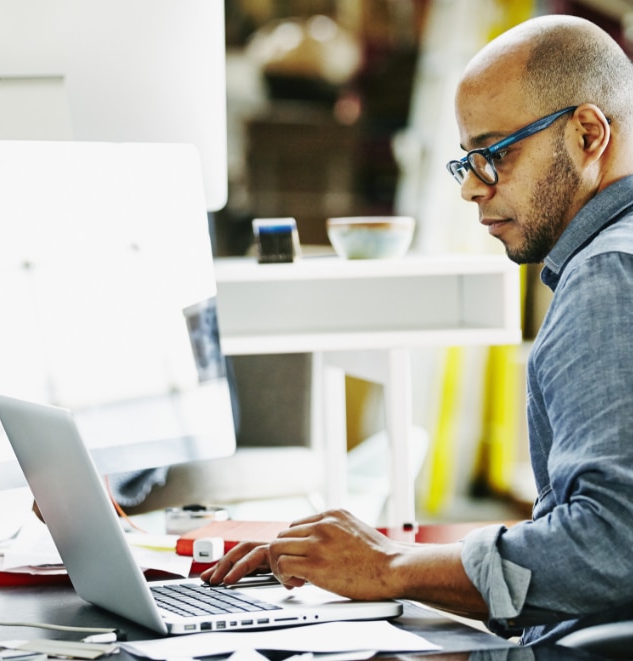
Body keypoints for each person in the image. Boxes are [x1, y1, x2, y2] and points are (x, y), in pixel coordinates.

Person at [201, 14, 633, 645]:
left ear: (588, 133)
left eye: (495, 154)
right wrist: (385, 558)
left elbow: (611, 545)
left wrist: (388, 568)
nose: (472, 190)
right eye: (468, 162)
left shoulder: (607, 278)